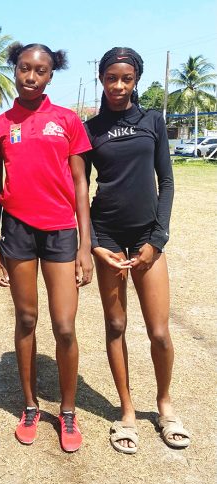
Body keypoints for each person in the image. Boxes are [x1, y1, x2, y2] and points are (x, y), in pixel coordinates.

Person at [0, 43, 93, 452]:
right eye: (25, 69)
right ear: (14, 70)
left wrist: (85, 245)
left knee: (64, 325)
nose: (31, 76)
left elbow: (81, 183)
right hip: (17, 232)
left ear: (52, 75)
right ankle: (30, 405)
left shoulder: (67, 121)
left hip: (61, 232)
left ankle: (67, 411)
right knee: (27, 318)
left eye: (41, 71)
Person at [84, 47, 190, 454]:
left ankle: (164, 405)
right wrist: (93, 245)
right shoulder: (91, 130)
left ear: (136, 81)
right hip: (108, 236)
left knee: (159, 332)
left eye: (126, 78)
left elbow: (167, 181)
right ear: (102, 78)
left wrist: (156, 241)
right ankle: (126, 411)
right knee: (116, 326)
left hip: (147, 235)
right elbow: (81, 191)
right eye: (111, 77)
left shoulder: (153, 121)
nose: (118, 85)